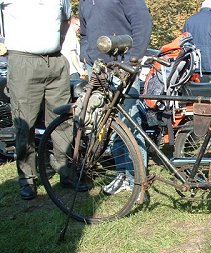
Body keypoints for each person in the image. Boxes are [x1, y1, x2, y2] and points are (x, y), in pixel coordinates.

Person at [0, 0, 72, 200]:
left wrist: (58, 42)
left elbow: (66, 20)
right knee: (25, 123)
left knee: (63, 120)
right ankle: (27, 178)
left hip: (56, 61)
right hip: (23, 61)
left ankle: (65, 170)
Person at [79, 0, 152, 195]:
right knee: (108, 125)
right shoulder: (84, 1)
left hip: (122, 67)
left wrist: (132, 60)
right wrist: (85, 55)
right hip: (98, 69)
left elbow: (142, 23)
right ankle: (122, 175)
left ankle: (136, 178)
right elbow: (85, 34)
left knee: (130, 121)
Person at [61, 15, 85, 80]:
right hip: (73, 71)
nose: (79, 29)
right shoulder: (71, 35)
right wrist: (80, 70)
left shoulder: (65, 33)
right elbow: (73, 54)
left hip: (66, 70)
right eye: (79, 26)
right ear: (73, 24)